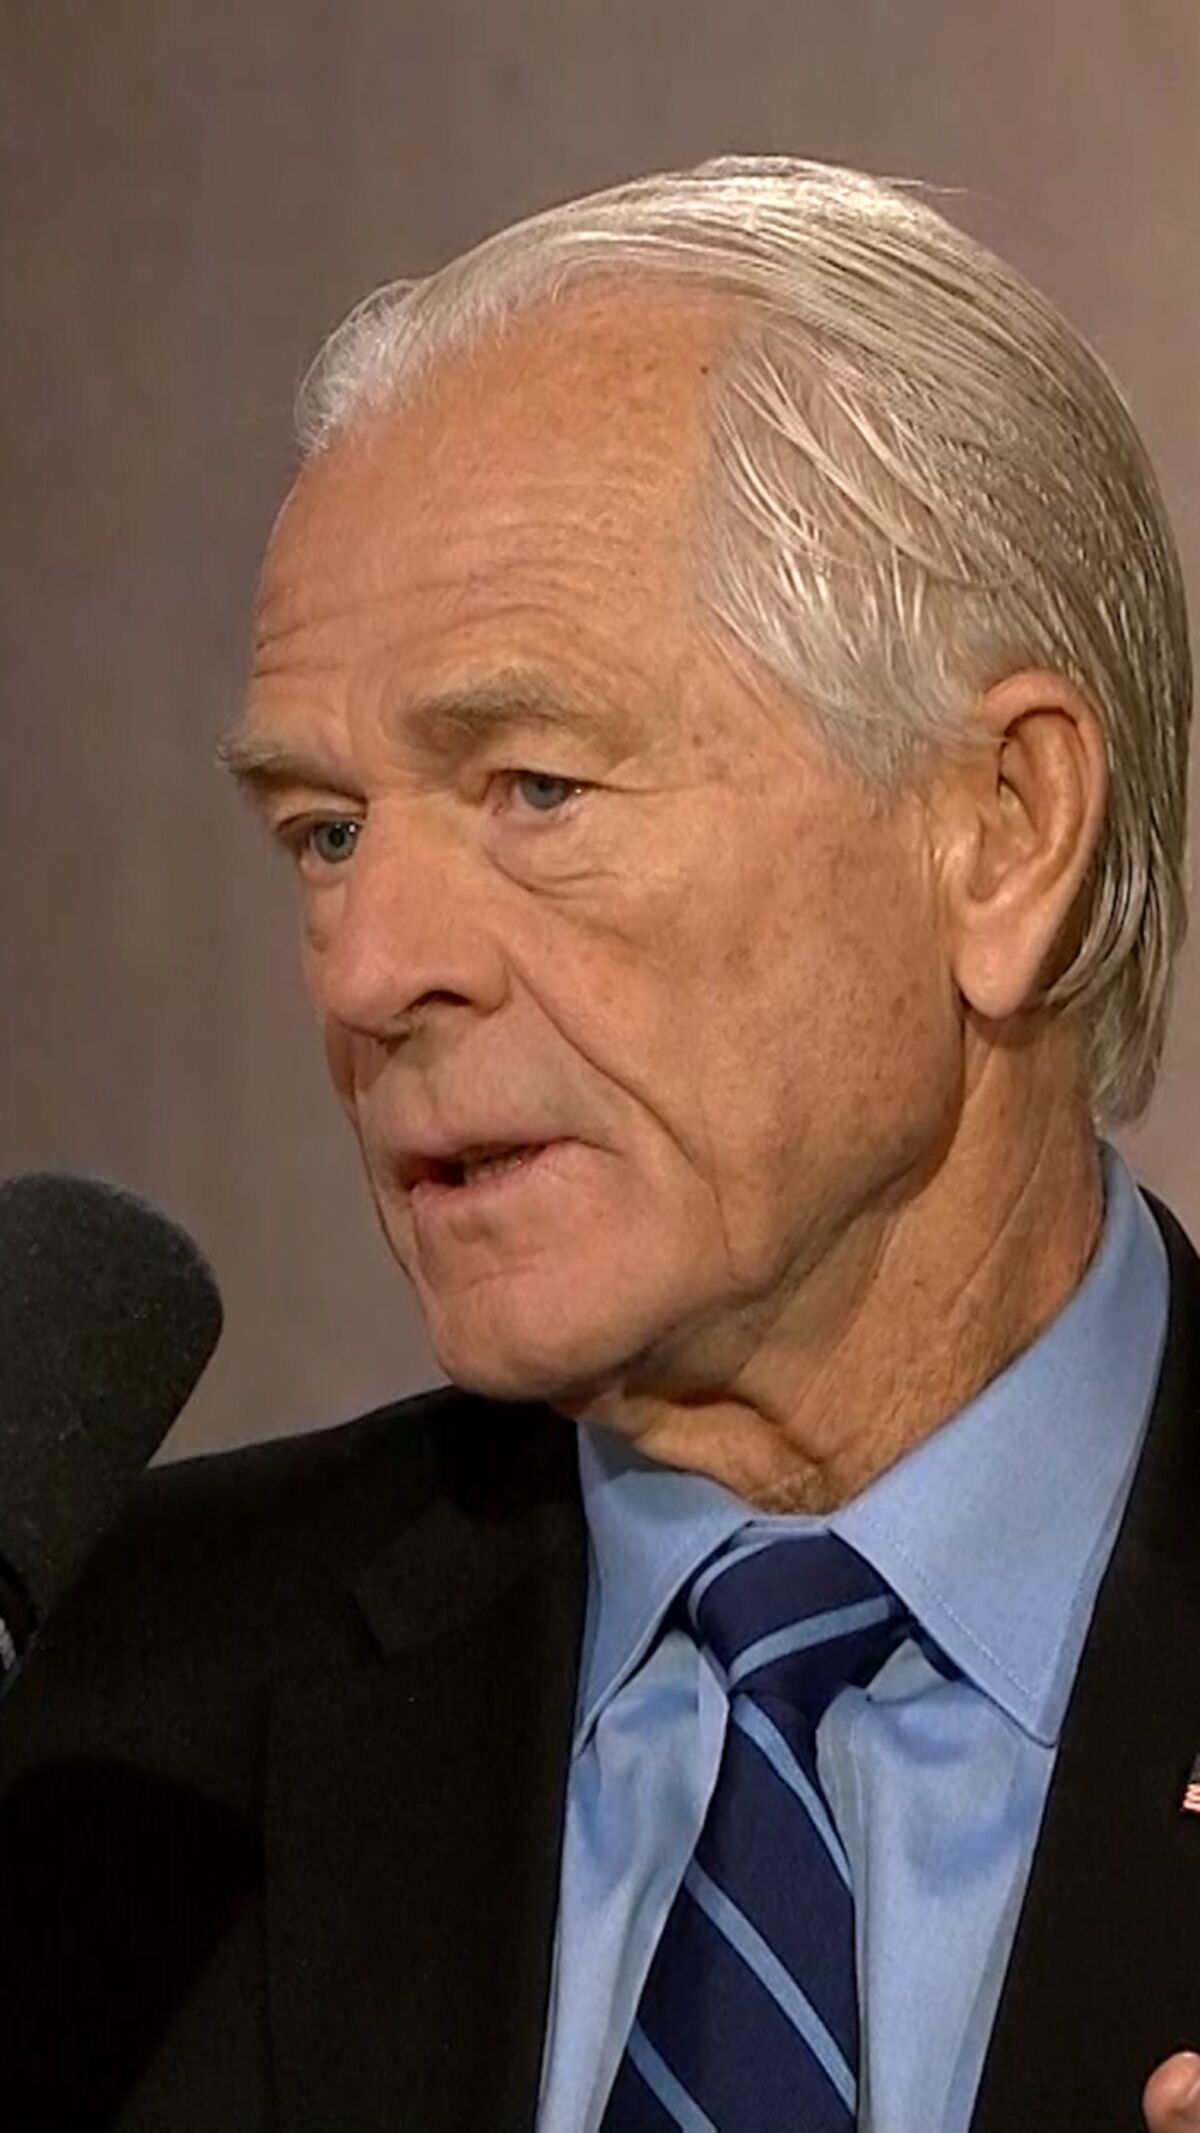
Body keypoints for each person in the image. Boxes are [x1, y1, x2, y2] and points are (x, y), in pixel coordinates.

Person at [0, 157, 1197, 2133]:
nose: (368, 967)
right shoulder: (92, 1752)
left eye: (535, 786)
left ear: (1000, 831)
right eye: (326, 831)